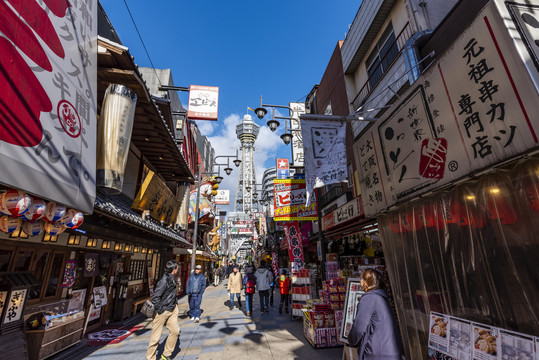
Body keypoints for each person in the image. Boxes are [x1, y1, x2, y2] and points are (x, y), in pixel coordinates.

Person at [348, 269, 403, 360]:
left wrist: (351, 340)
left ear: (365, 282)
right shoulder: (382, 297)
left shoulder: (369, 298)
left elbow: (359, 328)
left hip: (378, 354)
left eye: (361, 279)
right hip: (391, 352)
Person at [146, 260, 180, 360]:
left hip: (173, 309)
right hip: (163, 311)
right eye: (177, 268)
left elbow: (171, 293)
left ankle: (166, 353)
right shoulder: (164, 280)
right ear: (174, 270)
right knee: (156, 337)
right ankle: (150, 358)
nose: (178, 269)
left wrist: (175, 302)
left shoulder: (172, 278)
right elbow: (155, 297)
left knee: (175, 331)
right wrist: (161, 310)